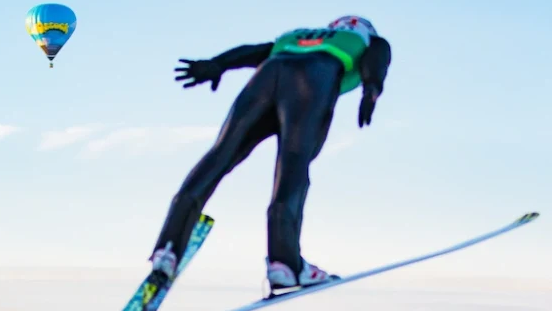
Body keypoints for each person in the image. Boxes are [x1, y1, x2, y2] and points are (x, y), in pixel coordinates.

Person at [150, 16, 391, 292]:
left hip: (267, 74)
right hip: (313, 80)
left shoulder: (299, 36)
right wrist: (372, 89)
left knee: (221, 154)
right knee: (293, 165)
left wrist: (217, 64)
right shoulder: (367, 41)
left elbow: (252, 51)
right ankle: (285, 263)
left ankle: (167, 248)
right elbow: (378, 57)